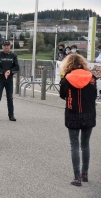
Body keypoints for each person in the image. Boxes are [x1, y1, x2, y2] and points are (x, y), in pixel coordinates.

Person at [59, 54, 96, 187]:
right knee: (85, 145)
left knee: (74, 145)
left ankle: (77, 177)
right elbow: (94, 95)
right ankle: (85, 173)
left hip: (72, 114)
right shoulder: (92, 78)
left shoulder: (66, 79)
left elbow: (62, 95)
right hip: (89, 114)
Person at [0, 40, 19, 121]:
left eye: (8, 45)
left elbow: (17, 67)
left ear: (10, 46)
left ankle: (11, 115)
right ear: (2, 46)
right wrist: (3, 72)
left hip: (9, 80)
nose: (6, 47)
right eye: (5, 45)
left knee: (10, 98)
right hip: (0, 79)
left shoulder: (13, 55)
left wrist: (9, 71)